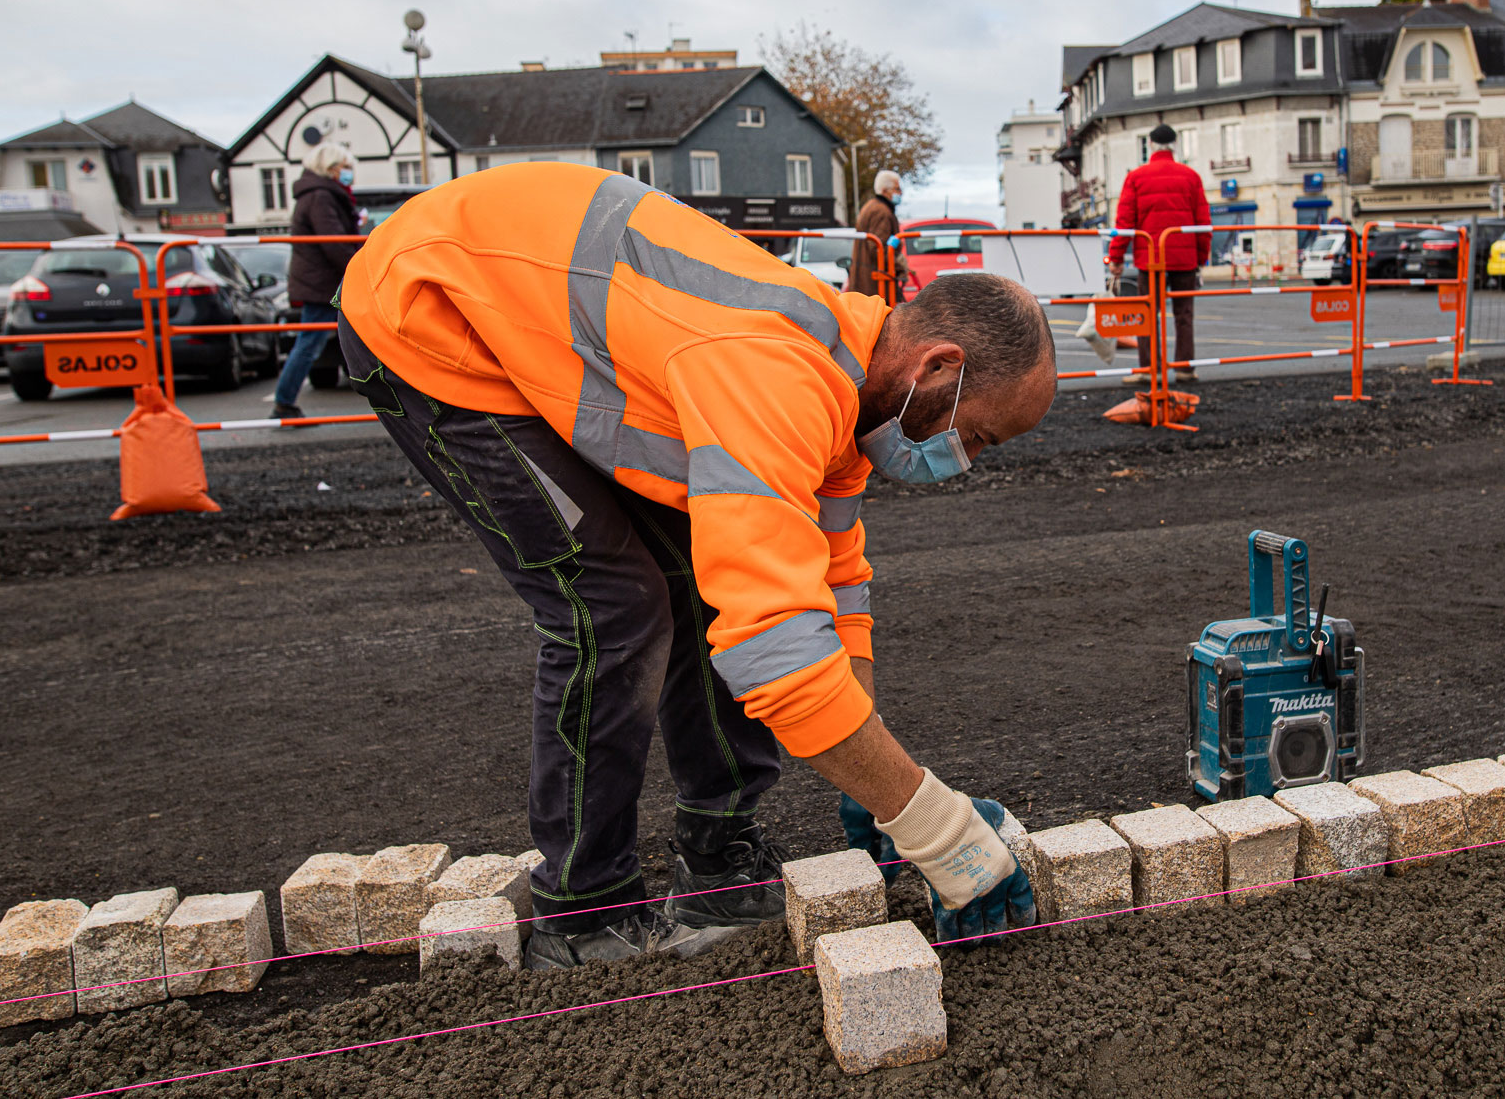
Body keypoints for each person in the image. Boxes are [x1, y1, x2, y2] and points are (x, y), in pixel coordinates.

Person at [337, 162, 1053, 969]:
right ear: (937, 366)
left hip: (532, 302)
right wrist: (934, 824)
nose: (965, 460)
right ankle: (584, 909)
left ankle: (717, 854)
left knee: (699, 576)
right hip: (431, 310)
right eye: (978, 436)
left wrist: (877, 792)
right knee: (614, 606)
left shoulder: (848, 396)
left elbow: (833, 594)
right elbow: (776, 652)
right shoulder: (777, 374)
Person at [1106, 124, 1211, 383]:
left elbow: (1125, 223)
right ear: (1175, 145)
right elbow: (1203, 222)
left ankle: (1150, 370)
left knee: (1148, 315)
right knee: (1184, 315)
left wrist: (1116, 259)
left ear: (1150, 145)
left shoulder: (1136, 177)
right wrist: (1200, 258)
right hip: (1184, 259)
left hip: (1151, 259)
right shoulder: (1191, 177)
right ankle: (1185, 368)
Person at [270, 143, 362, 420]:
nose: (348, 173)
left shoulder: (315, 194)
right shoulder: (322, 196)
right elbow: (333, 242)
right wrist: (359, 266)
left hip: (317, 280)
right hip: (323, 282)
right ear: (331, 168)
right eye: (344, 167)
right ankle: (283, 401)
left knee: (316, 340)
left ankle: (284, 401)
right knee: (311, 342)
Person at [849, 169, 905, 298]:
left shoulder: (870, 206)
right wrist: (898, 266)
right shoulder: (882, 212)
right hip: (875, 284)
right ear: (885, 191)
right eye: (897, 189)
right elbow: (878, 248)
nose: (900, 193)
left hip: (864, 280)